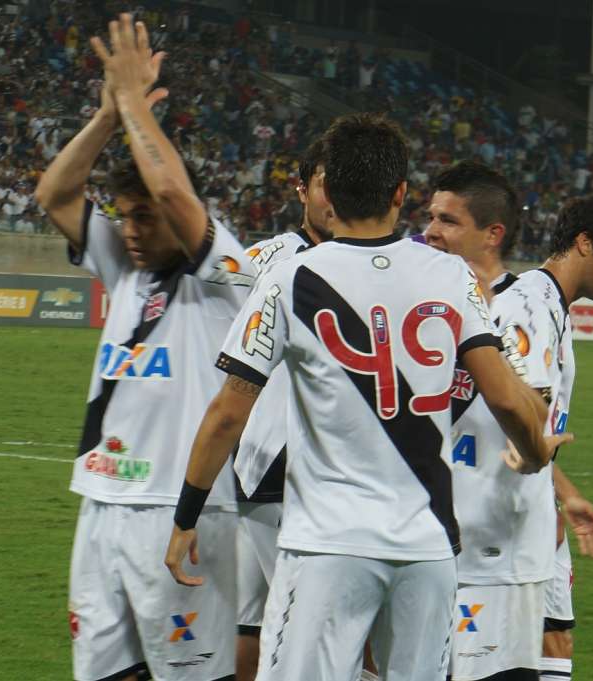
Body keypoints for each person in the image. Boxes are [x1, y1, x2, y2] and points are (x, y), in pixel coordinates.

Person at [164, 113, 556, 681]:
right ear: (400, 193)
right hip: (427, 545)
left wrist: (185, 519)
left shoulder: (293, 277)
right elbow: (506, 398)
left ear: (329, 194)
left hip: (329, 543)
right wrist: (539, 450)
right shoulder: (449, 276)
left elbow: (229, 411)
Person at [36, 14, 253, 681]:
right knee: (105, 670)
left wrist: (133, 103)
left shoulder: (228, 275)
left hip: (181, 508)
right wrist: (106, 116)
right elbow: (54, 193)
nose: (130, 230)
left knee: (190, 673)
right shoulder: (124, 268)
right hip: (101, 499)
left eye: (144, 219)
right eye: (123, 216)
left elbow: (169, 188)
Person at [426, 179, 593, 681]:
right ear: (585, 243)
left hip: (516, 524)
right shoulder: (529, 304)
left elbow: (529, 423)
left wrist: (559, 490)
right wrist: (534, 456)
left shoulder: (546, 305)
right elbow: (522, 406)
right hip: (491, 531)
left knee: (537, 654)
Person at [231, 137, 335, 680]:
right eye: (323, 182)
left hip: (290, 472)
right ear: (301, 190)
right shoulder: (266, 258)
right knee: (295, 628)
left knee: (265, 625)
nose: (334, 193)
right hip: (274, 465)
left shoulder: (368, 263)